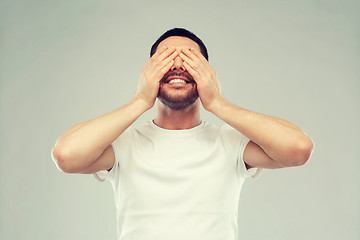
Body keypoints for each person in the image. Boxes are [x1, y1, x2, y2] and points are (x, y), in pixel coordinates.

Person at [51, 28, 314, 240]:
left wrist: (218, 103)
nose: (177, 66)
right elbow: (66, 155)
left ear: (207, 74)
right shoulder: (124, 143)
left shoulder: (230, 143)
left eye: (189, 59)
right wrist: (140, 101)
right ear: (149, 72)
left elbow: (299, 148)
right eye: (165, 59)